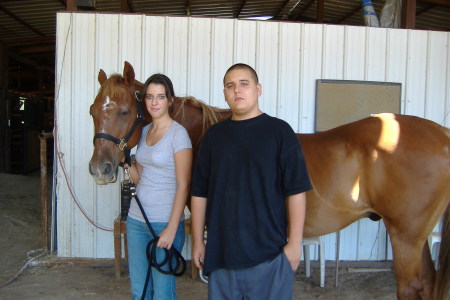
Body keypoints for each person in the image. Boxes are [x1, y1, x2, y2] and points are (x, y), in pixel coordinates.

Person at [190, 63, 313, 300]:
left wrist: (295, 243)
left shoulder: (280, 132)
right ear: (224, 93)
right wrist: (198, 241)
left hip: (270, 256)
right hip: (221, 256)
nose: (237, 90)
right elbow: (199, 193)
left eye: (244, 84)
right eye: (230, 86)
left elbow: (296, 191)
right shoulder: (213, 138)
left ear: (258, 89)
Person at [125, 73, 192, 300]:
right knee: (140, 291)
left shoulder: (178, 134)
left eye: (160, 97)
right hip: (136, 221)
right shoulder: (143, 133)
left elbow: (184, 186)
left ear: (170, 100)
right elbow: (139, 177)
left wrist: (172, 229)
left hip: (164, 223)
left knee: (163, 293)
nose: (154, 102)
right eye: (150, 97)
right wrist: (125, 163)